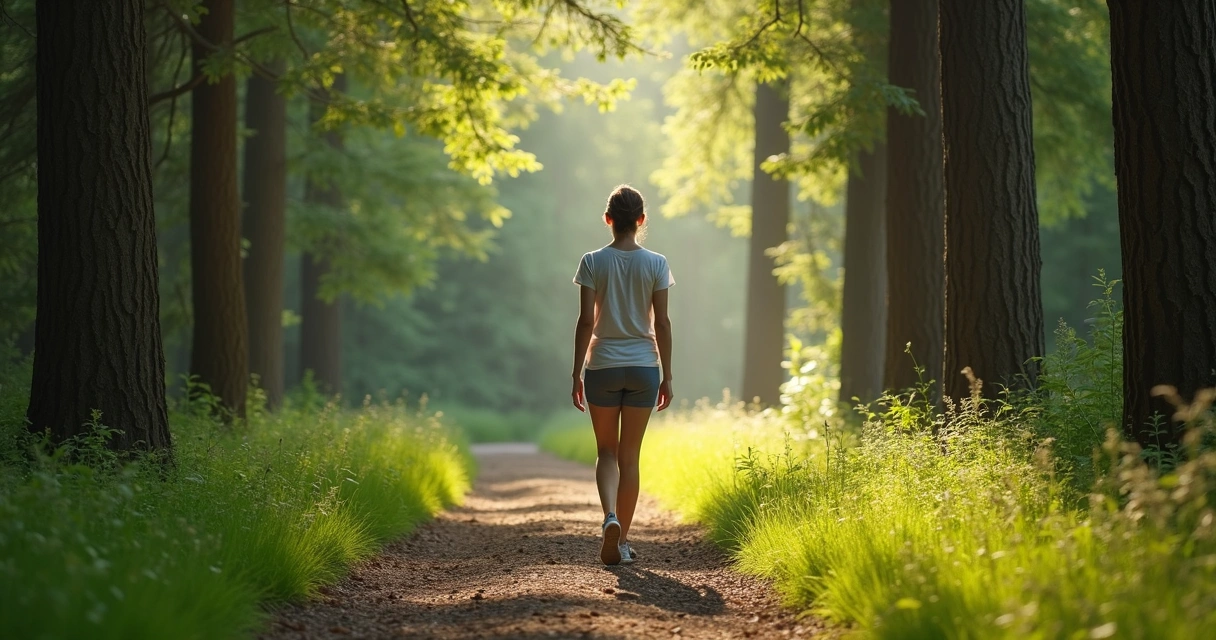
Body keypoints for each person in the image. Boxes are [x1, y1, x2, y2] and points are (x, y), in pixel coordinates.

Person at [571, 184, 674, 566]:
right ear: (641, 220)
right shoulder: (657, 263)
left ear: (609, 220)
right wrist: (667, 376)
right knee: (631, 457)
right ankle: (624, 540)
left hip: (602, 366)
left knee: (606, 452)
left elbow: (585, 322)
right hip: (645, 366)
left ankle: (609, 517)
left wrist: (575, 373)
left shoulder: (592, 261)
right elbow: (661, 323)